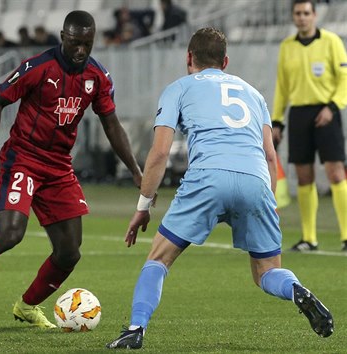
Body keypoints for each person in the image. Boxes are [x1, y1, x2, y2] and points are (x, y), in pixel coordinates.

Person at [106, 27, 334, 350]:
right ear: (225, 61)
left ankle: (135, 329)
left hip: (207, 177)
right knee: (267, 273)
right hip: (255, 179)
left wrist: (143, 206)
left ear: (189, 58)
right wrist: (268, 204)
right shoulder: (254, 94)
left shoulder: (179, 88)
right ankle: (296, 289)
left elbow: (158, 153)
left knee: (158, 258)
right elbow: (271, 156)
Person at [0, 10, 143, 333]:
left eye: (88, 44)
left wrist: (135, 170)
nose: (81, 50)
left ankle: (27, 306)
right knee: (9, 234)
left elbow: (111, 124)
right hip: (22, 158)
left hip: (59, 166)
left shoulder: (98, 77)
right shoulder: (39, 67)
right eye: (76, 43)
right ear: (63, 37)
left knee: (69, 253)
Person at [272, 0, 347, 252]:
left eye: (306, 13)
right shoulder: (287, 47)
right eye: (298, 13)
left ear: (314, 15)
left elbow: (344, 78)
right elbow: (282, 86)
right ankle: (309, 238)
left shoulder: (332, 42)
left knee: (336, 173)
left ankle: (346, 236)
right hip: (299, 115)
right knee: (304, 177)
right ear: (293, 17)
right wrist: (277, 120)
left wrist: (333, 107)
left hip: (327, 112)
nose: (302, 17)